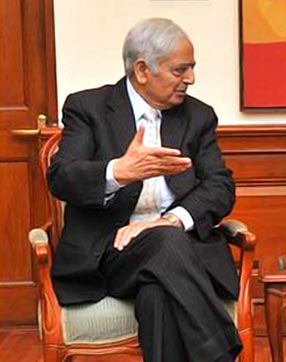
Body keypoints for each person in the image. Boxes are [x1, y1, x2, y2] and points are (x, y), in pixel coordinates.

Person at [48, 18, 241, 362]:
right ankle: (222, 354)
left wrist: (172, 221)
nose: (191, 79)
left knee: (157, 294)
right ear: (142, 70)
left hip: (179, 251)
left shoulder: (198, 117)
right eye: (180, 70)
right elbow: (62, 177)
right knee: (166, 245)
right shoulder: (88, 108)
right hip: (112, 253)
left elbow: (220, 186)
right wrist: (117, 172)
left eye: (192, 68)